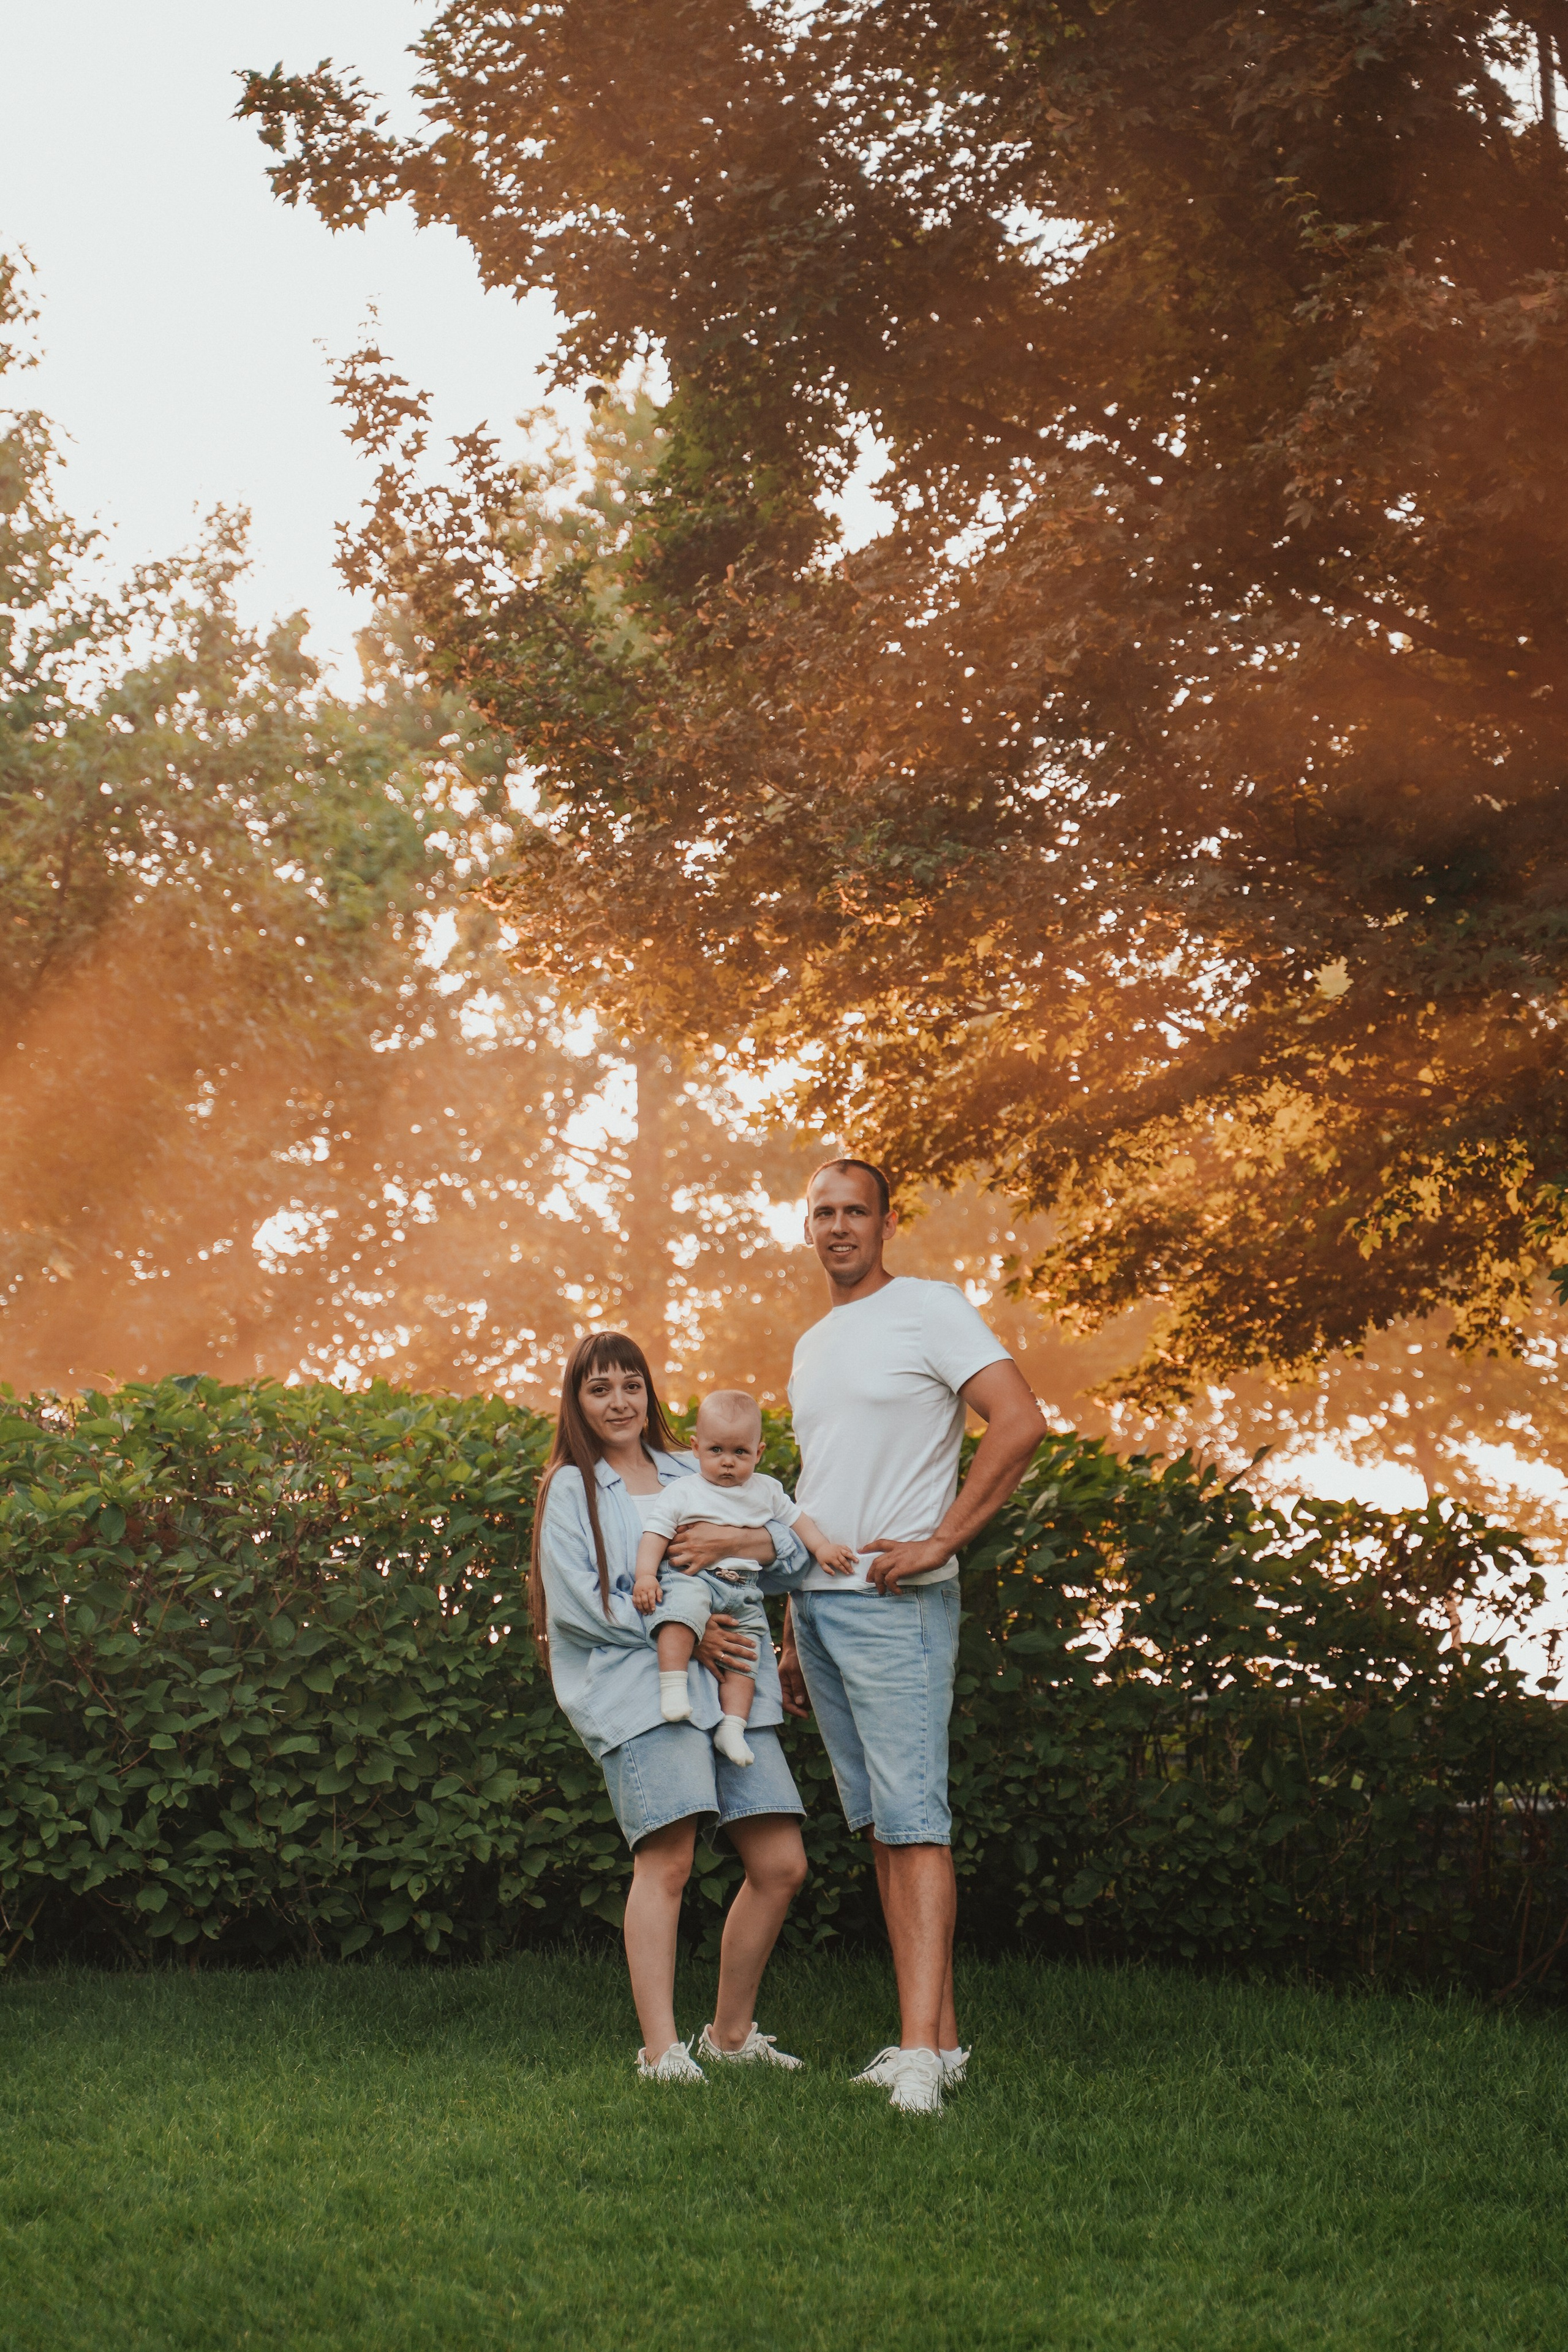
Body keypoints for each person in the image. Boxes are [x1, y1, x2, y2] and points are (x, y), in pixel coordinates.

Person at [779, 1158, 1049, 2115]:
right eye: (824, 1213)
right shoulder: (813, 1344)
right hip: (819, 1607)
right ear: (807, 1229)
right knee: (884, 1831)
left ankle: (920, 2062)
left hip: (898, 1607)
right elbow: (821, 1489)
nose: (839, 1227)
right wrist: (787, 1627)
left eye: (856, 1211)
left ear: (887, 1223)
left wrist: (941, 1540)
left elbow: (1019, 1422)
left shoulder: (930, 1309)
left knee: (916, 1823)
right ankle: (935, 2041)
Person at [531, 1331, 812, 2083]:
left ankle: (729, 2036)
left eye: (631, 1385)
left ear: (651, 1394)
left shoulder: (701, 1468)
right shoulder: (573, 1488)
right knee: (668, 1862)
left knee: (781, 1864)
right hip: (641, 1688)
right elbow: (581, 1608)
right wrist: (688, 1629)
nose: (618, 1402)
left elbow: (790, 1552)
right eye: (599, 1389)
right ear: (577, 1402)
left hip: (731, 1688)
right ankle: (660, 2053)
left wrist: (742, 1541)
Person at [634, 1388, 857, 1765]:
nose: (727, 1462)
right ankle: (672, 1687)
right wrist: (645, 1577)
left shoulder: (766, 1490)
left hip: (743, 1590)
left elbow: (798, 1522)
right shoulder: (682, 1491)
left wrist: (822, 1549)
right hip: (693, 1578)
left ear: (759, 1452)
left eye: (740, 1452)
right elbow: (655, 1533)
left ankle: (732, 1728)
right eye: (715, 1450)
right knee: (679, 1616)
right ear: (695, 1447)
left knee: (747, 1655)